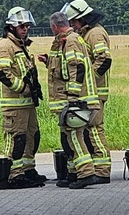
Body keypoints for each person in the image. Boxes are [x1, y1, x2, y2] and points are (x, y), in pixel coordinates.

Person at [41, 11, 99, 189]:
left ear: (54, 27)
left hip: (77, 100)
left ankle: (86, 172)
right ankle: (73, 173)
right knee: (69, 136)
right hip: (78, 99)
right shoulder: (72, 39)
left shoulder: (71, 41)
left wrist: (73, 98)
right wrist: (49, 62)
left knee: (75, 135)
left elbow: (77, 68)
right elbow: (66, 68)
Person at [0, 6, 47, 188]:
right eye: (22, 26)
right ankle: (14, 174)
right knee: (17, 139)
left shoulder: (21, 46)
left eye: (27, 26)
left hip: (28, 105)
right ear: (11, 27)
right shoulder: (5, 46)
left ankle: (28, 169)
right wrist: (24, 88)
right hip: (15, 105)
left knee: (33, 136)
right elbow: (3, 73)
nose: (25, 29)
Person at [61, 0, 112, 183]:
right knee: (89, 130)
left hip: (96, 92)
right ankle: (96, 168)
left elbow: (104, 59)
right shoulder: (88, 32)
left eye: (74, 22)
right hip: (92, 91)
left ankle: (102, 171)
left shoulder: (95, 33)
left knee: (95, 130)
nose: (73, 26)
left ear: (82, 19)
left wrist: (89, 79)